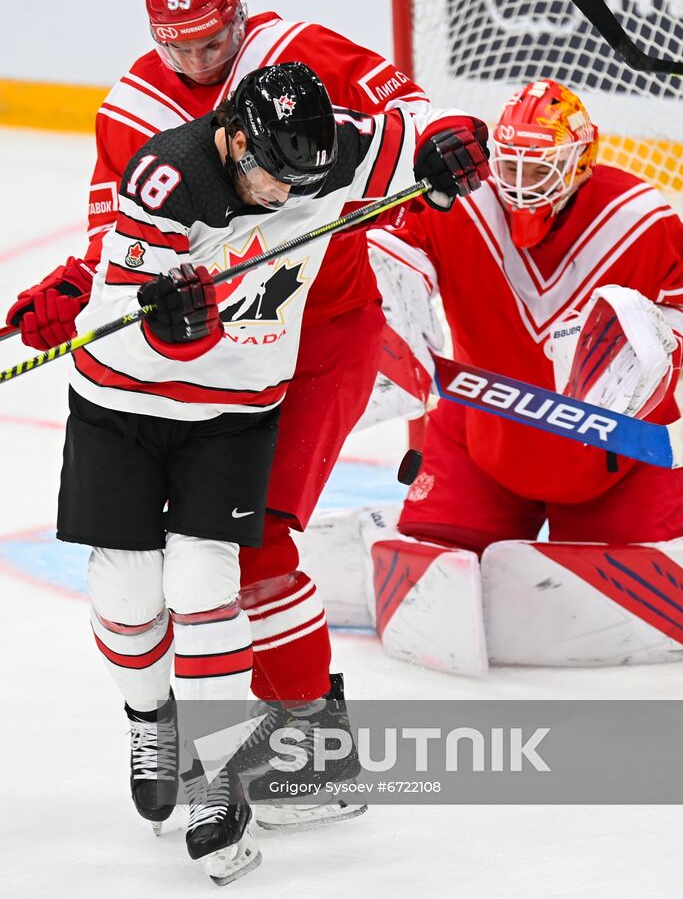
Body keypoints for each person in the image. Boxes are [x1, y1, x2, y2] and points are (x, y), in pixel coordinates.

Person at [5, 0, 435, 831]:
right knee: (169, 562)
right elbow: (114, 236)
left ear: (238, 14)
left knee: (250, 548)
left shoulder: (299, 54)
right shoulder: (132, 106)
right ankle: (242, 724)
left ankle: (316, 744)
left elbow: (414, 118)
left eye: (212, 42)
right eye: (178, 46)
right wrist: (77, 286)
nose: (198, 61)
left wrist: (449, 142)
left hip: (321, 338)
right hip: (223, 348)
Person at [56, 60, 489, 882]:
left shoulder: (329, 153)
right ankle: (151, 717)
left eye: (300, 181)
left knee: (204, 581)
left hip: (232, 414)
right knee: (125, 590)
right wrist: (165, 323)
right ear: (229, 136)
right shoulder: (164, 179)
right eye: (264, 174)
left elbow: (419, 131)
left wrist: (453, 145)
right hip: (124, 407)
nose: (279, 195)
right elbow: (115, 310)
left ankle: (218, 779)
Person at [368, 78, 683, 554]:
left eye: (540, 169)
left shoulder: (641, 221)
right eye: (511, 166)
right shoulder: (456, 202)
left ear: (580, 161)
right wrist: (391, 310)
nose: (522, 184)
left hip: (619, 460)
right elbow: (389, 253)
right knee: (437, 570)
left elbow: (678, 314)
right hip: (479, 436)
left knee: (615, 615)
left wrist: (650, 357)